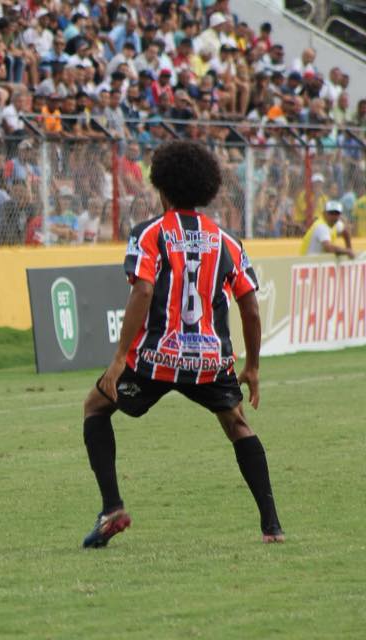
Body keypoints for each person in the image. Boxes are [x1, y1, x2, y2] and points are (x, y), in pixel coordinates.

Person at [80, 141, 285, 548]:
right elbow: (251, 307)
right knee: (238, 424)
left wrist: (121, 357)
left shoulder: (150, 234)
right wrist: (253, 367)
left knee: (95, 406)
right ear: (206, 189)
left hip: (155, 357)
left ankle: (112, 507)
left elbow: (142, 291)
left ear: (162, 187)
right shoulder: (227, 241)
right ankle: (272, 527)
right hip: (210, 358)